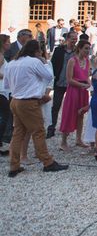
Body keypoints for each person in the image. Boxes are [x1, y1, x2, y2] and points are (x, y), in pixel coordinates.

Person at [4, 40, 68, 176]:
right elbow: (49, 76)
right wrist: (43, 62)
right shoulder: (34, 62)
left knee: (18, 133)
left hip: (15, 100)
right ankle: (47, 161)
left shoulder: (12, 63)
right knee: (38, 131)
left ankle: (14, 165)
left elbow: (6, 85)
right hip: (29, 102)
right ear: (36, 51)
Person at [59, 40, 91, 151]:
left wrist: (89, 83)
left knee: (81, 114)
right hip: (74, 90)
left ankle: (78, 139)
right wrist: (82, 84)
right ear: (79, 48)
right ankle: (63, 141)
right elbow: (69, 79)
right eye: (85, 48)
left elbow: (86, 75)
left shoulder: (87, 61)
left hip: (83, 90)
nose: (87, 51)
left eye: (88, 48)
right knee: (69, 114)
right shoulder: (72, 61)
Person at [47, 31, 78, 138]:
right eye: (73, 38)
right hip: (60, 82)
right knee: (56, 106)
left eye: (76, 38)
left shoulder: (77, 51)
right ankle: (51, 127)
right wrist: (53, 76)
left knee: (70, 107)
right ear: (67, 39)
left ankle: (67, 129)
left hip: (72, 83)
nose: (75, 40)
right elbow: (53, 64)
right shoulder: (59, 50)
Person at [0, 34, 12, 155]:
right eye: (7, 42)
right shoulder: (1, 56)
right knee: (4, 115)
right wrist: (7, 76)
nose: (9, 43)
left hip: (3, 89)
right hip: (1, 90)